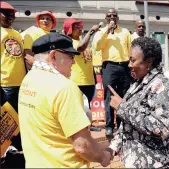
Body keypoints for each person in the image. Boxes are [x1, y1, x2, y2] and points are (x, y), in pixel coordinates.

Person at [18, 33, 111, 168]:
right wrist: (103, 157)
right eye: (70, 57)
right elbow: (82, 146)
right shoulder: (64, 87)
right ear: (54, 56)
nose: (73, 62)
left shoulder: (28, 79)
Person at [105, 37, 169, 168]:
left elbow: (161, 128)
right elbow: (128, 125)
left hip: (158, 163)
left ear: (149, 62)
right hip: (136, 161)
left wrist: (122, 107)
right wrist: (113, 147)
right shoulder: (136, 85)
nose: (129, 64)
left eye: (133, 60)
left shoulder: (160, 84)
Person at [93, 8, 132, 136]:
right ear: (106, 19)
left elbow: (130, 49)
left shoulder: (125, 32)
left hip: (124, 66)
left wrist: (131, 65)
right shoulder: (101, 32)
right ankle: (109, 125)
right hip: (109, 66)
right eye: (109, 15)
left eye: (114, 15)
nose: (111, 17)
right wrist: (108, 32)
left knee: (123, 96)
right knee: (109, 96)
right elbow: (98, 46)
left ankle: (121, 125)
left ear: (118, 18)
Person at [63, 18, 101, 131]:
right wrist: (91, 32)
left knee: (87, 105)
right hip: (77, 80)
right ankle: (78, 128)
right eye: (76, 27)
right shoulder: (70, 42)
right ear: (70, 30)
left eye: (80, 26)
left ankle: (89, 125)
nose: (80, 29)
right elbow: (80, 48)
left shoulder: (83, 41)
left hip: (89, 80)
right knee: (78, 106)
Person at [0, 2, 26, 168]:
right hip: (5, 84)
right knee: (7, 121)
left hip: (21, 84)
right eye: (6, 13)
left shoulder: (17, 33)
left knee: (20, 120)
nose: (10, 16)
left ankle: (16, 150)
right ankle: (5, 152)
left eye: (12, 14)